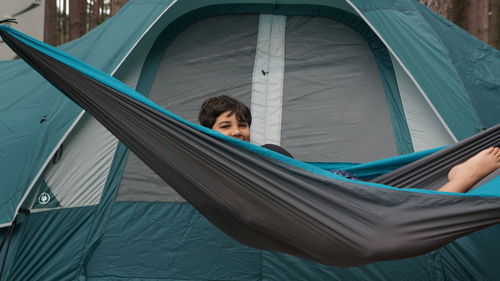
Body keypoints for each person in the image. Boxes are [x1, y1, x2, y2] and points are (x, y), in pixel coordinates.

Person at [199, 95, 500, 193]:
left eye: (243, 124)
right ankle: (458, 180)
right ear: (208, 131)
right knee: (392, 216)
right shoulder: (211, 165)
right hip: (329, 199)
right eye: (226, 126)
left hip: (333, 192)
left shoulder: (264, 153)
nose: (238, 131)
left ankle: (458, 180)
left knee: (393, 214)